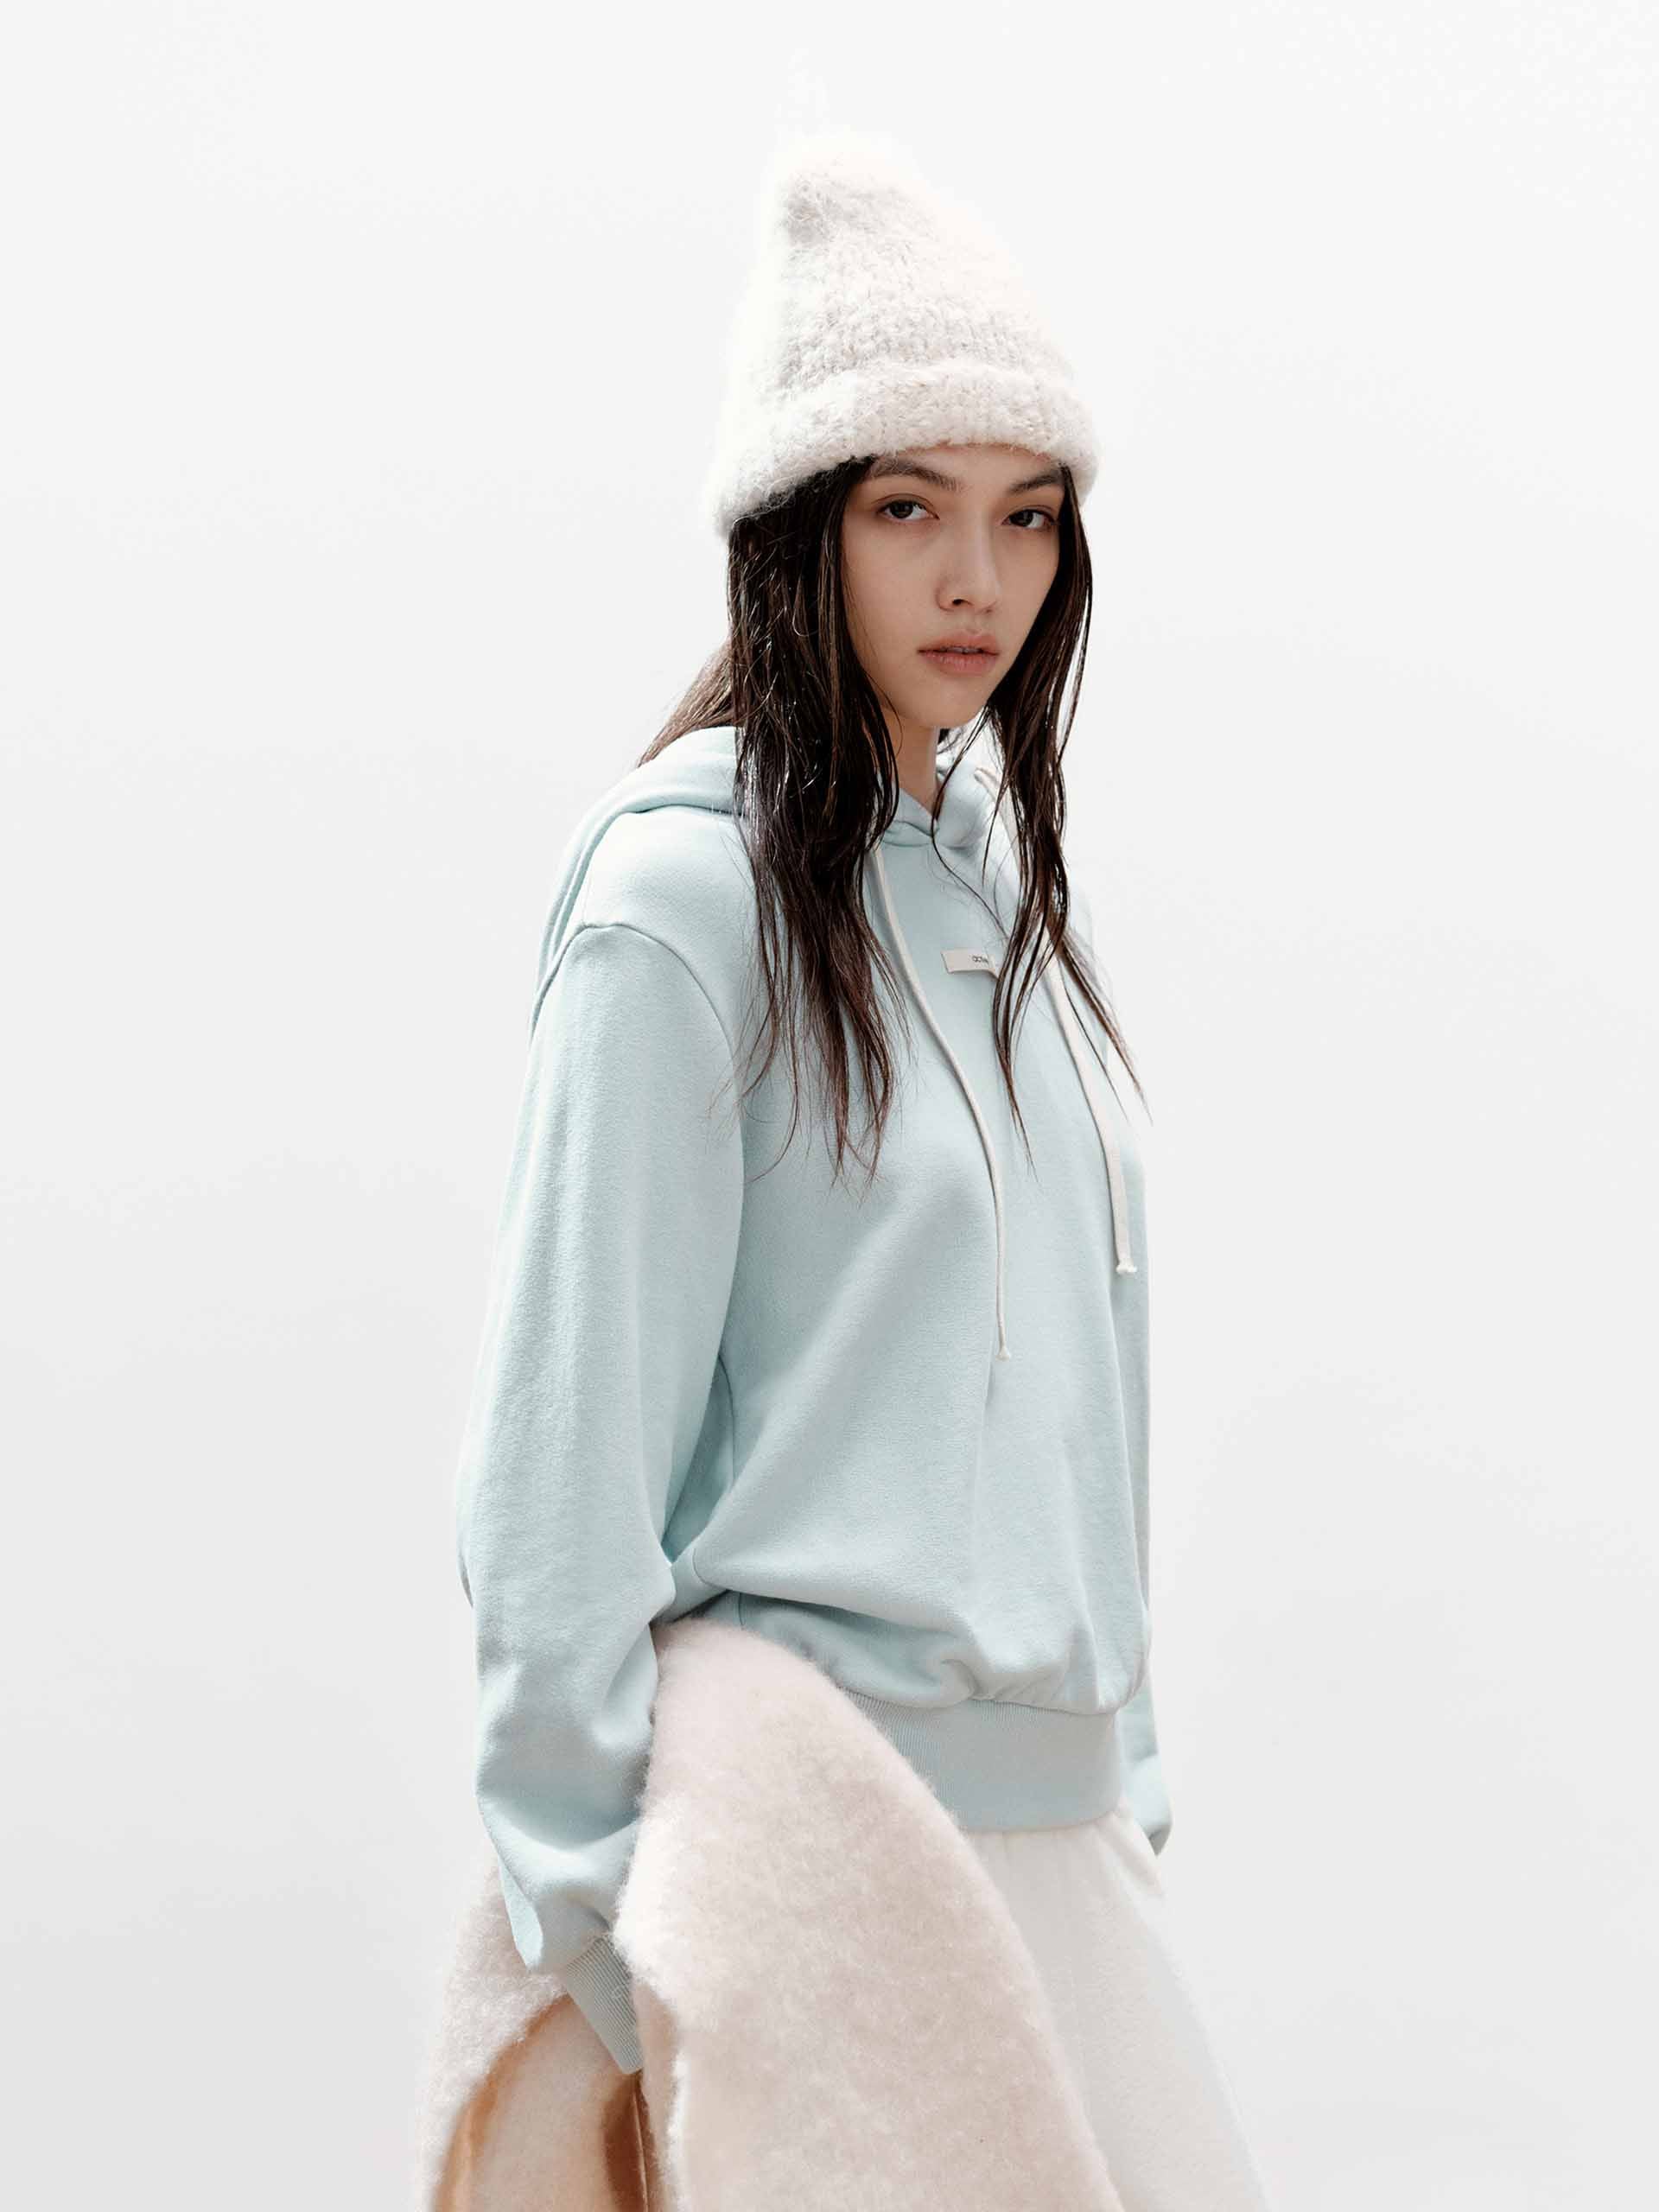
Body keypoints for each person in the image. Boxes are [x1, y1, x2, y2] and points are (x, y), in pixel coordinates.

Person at [452, 127, 1274, 2207]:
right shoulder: (677, 903)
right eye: (911, 506)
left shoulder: (1004, 899)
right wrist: (608, 1940)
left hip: (1059, 1858)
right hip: (813, 1864)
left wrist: (1126, 1773)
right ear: (797, 519)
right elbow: (560, 1473)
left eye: (1028, 512)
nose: (978, 578)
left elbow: (1082, 1369)